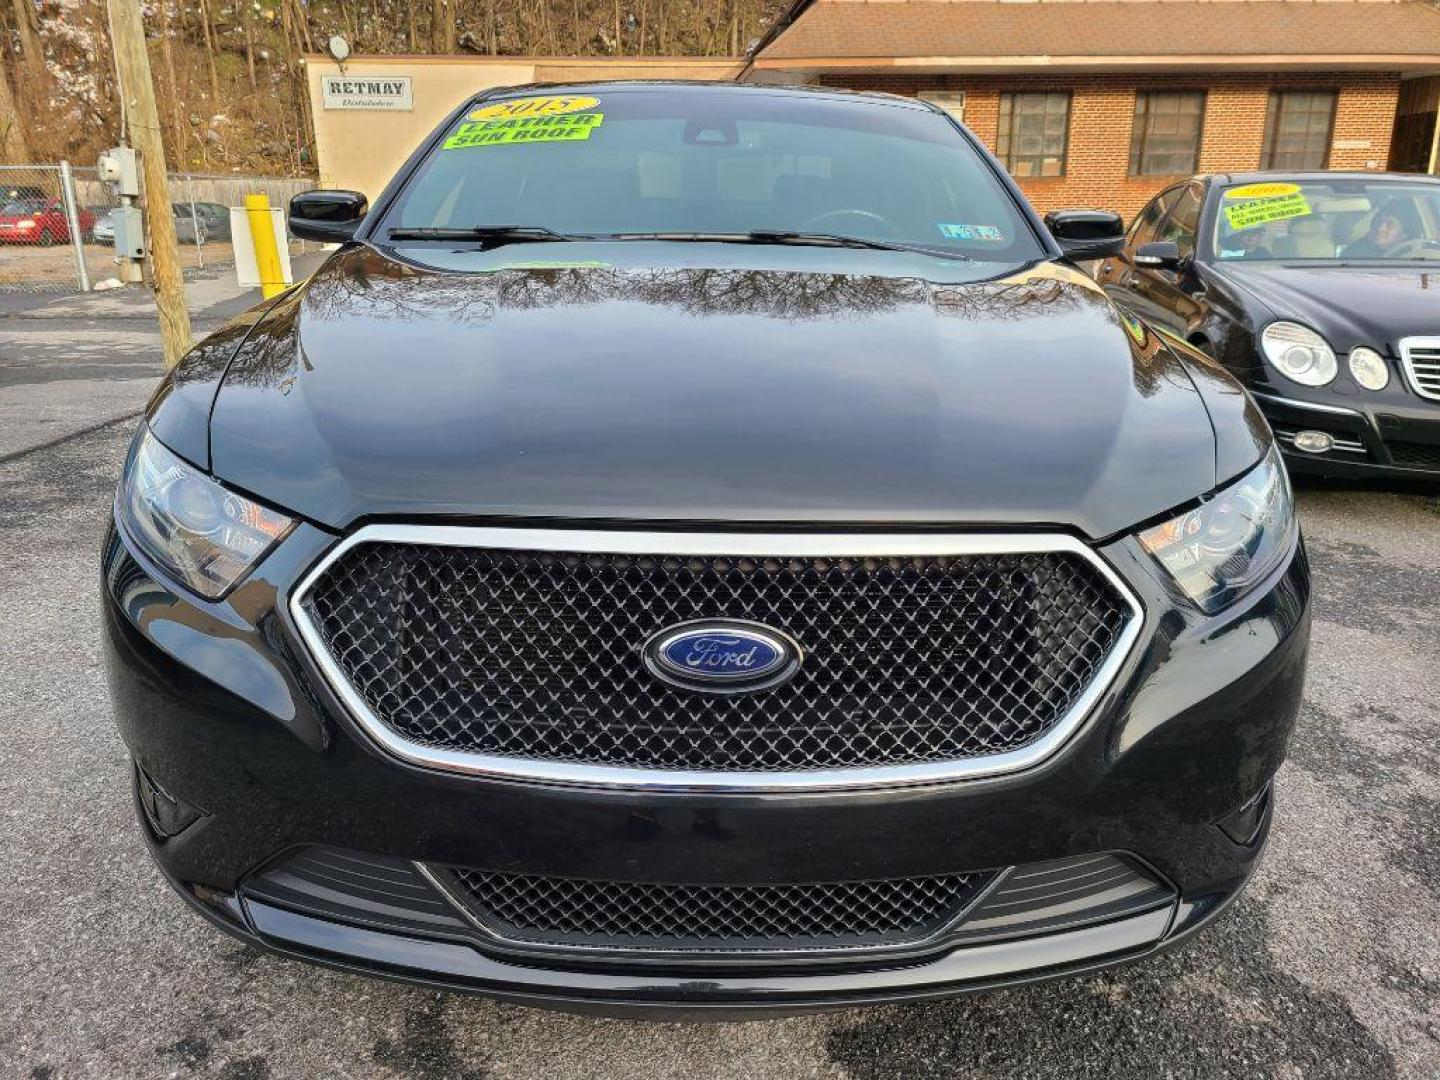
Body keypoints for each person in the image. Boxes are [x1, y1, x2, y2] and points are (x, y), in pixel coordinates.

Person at [1344, 199, 1422, 258]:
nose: (1380, 228)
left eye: (1390, 225)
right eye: (1378, 222)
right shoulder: (1353, 254)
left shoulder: (1416, 255)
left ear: (1405, 234)